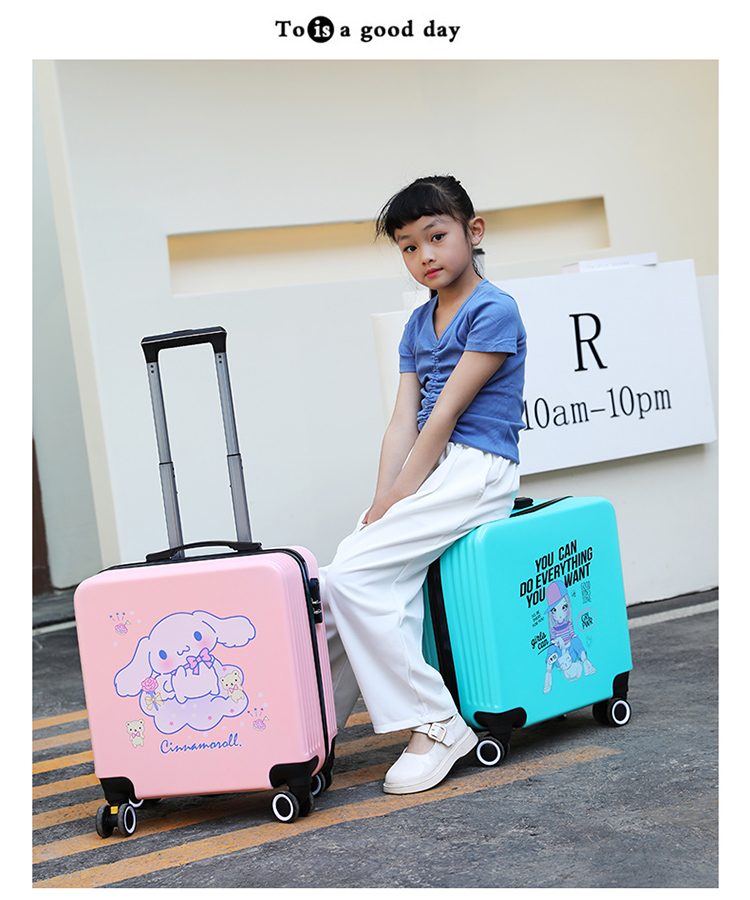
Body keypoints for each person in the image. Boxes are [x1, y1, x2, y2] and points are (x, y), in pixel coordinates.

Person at [320, 175, 527, 794]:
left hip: (474, 468)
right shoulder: (417, 324)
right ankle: (314, 729)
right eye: (409, 247)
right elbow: (402, 422)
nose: (424, 255)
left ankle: (437, 724)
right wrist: (380, 500)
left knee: (355, 575)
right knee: (340, 580)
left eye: (436, 237)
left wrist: (398, 498)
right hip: (430, 469)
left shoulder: (494, 309)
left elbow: (444, 418)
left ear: (473, 231)